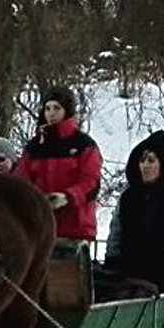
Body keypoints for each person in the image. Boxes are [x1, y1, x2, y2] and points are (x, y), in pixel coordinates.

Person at [102, 130, 164, 293]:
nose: (145, 165)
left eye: (151, 160)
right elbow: (116, 231)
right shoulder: (129, 195)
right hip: (130, 273)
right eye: (142, 160)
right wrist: (112, 261)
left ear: (162, 163)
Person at [15, 86, 102, 241]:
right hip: (40, 227)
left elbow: (91, 182)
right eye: (47, 108)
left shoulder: (84, 145)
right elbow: (21, 180)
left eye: (57, 108)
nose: (51, 113)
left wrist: (68, 197)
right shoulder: (34, 147)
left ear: (66, 111)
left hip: (75, 228)